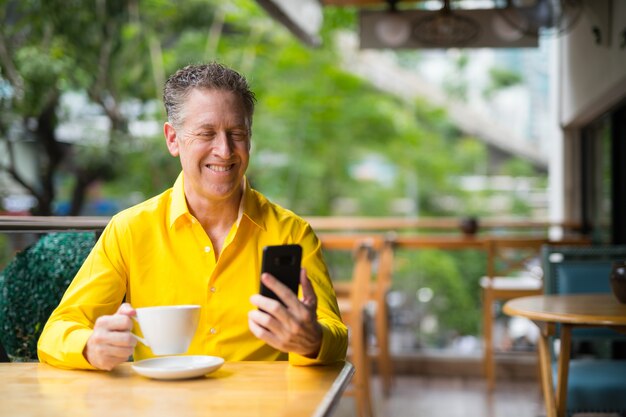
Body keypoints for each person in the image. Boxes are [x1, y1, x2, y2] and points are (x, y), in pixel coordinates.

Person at [37, 62, 348, 370]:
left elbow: (335, 334)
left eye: (236, 133)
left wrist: (313, 340)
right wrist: (91, 347)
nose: (224, 150)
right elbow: (56, 332)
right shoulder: (130, 230)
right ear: (173, 139)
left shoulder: (292, 233)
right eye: (206, 133)